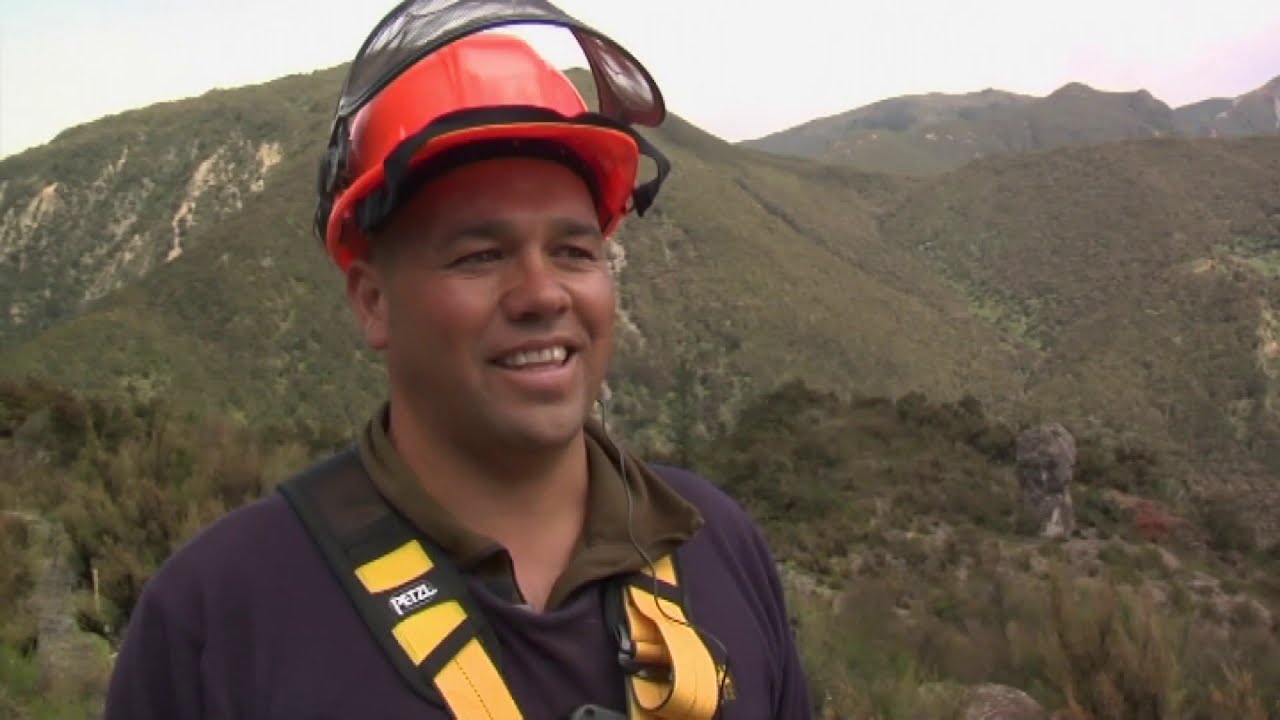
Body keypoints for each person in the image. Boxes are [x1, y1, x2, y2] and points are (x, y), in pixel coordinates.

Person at [103, 2, 812, 718]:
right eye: (480, 256)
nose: (542, 294)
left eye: (574, 251)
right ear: (373, 301)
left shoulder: (715, 541)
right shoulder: (222, 616)